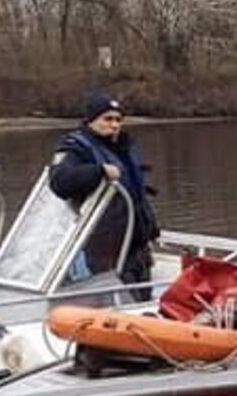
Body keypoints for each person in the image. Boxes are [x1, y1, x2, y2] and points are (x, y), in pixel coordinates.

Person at [49, 91, 160, 291]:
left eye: (118, 120)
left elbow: (137, 197)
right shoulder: (75, 147)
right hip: (104, 249)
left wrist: (149, 234)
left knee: (142, 297)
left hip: (136, 248)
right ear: (91, 120)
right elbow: (59, 181)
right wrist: (98, 171)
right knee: (119, 300)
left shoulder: (123, 148)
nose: (114, 125)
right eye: (107, 119)